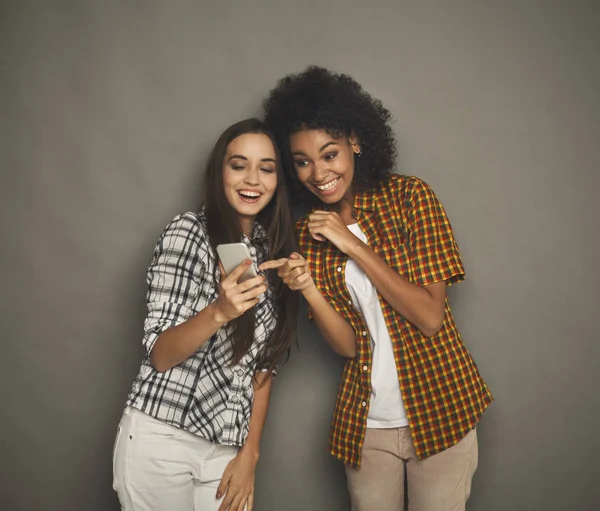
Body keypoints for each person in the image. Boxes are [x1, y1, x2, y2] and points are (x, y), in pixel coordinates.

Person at [261, 66, 493, 511]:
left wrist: (351, 243)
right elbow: (349, 346)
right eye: (303, 161)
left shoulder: (411, 198)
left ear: (356, 142)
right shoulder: (307, 232)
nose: (318, 173)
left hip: (442, 409)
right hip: (367, 425)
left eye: (329, 155)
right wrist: (308, 287)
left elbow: (429, 317)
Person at [112, 118, 298, 511]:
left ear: (278, 181)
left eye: (266, 168)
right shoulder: (187, 233)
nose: (253, 179)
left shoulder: (269, 254)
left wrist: (250, 455)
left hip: (226, 451)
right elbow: (161, 354)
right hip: (162, 440)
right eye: (238, 165)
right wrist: (219, 311)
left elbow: (263, 370)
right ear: (220, 172)